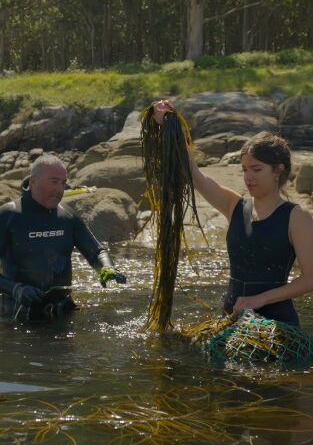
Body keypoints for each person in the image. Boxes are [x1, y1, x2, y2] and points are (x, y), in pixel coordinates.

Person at [152, 100, 313, 326]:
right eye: (245, 170)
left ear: (278, 170)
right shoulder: (234, 205)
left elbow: (310, 279)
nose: (248, 177)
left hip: (278, 325)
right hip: (231, 319)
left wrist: (260, 299)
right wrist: (170, 123)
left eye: (257, 169)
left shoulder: (297, 217)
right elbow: (193, 172)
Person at [0, 154, 126, 320]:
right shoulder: (8, 216)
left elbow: (96, 251)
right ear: (33, 181)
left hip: (62, 312)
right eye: (53, 181)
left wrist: (107, 267)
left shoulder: (67, 217)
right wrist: (16, 289)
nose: (59, 189)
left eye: (63, 183)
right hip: (17, 316)